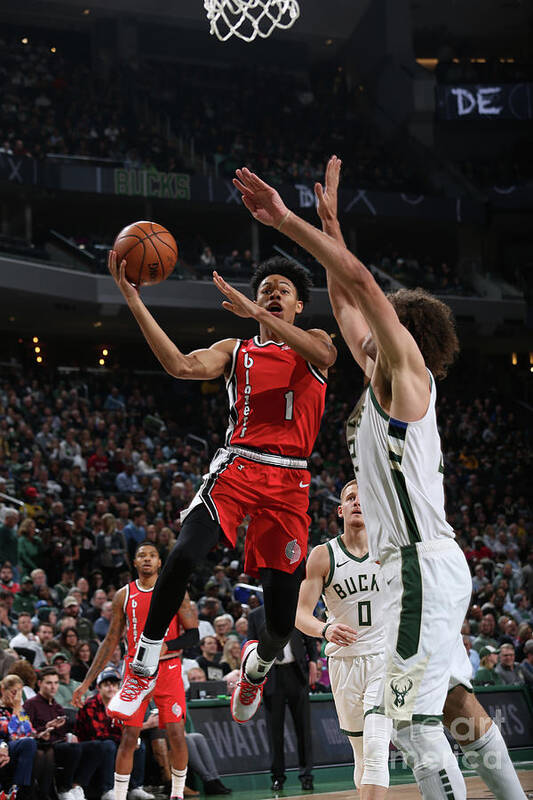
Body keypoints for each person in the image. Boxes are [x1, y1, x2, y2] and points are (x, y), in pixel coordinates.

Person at [232, 157, 527, 799]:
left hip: (416, 567)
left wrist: (286, 221)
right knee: (455, 707)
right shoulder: (379, 384)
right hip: (424, 568)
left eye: (383, 319)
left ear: (404, 331)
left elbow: (360, 285)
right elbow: (346, 297)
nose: (366, 325)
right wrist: (332, 229)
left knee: (413, 724)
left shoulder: (408, 373)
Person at [106, 246, 336, 727]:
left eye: (282, 291)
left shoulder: (314, 341)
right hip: (239, 465)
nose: (272, 294)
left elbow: (327, 354)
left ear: (298, 306)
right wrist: (133, 300)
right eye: (264, 290)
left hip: (290, 481)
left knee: (278, 624)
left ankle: (256, 668)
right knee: (187, 551)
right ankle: (142, 662)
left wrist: (256, 311)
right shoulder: (237, 350)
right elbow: (181, 367)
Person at [73, 541, 199, 800]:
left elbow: (194, 635)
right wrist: (86, 683)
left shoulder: (175, 590)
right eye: (142, 555)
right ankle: (119, 795)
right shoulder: (123, 594)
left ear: (160, 562)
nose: (147, 559)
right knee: (129, 735)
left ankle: (177, 793)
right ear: (134, 562)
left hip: (169, 667)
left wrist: (169, 645)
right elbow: (110, 641)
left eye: (152, 555)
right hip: (136, 670)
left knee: (176, 733)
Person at [296, 479, 391, 799]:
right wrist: (324, 629)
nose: (357, 503)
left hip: (383, 658)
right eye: (350, 498)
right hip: (343, 663)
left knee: (378, 748)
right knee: (362, 752)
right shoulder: (323, 556)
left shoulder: (390, 549)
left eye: (364, 498)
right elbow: (301, 615)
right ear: (341, 509)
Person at [247, 603, 316, 792]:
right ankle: (278, 777)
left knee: (303, 728)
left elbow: (309, 637)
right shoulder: (255, 615)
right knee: (274, 731)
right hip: (271, 676)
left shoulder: (296, 609)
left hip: (296, 673)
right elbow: (251, 647)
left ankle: (306, 775)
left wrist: (314, 661)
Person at [75, 668, 152, 800]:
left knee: (137, 744)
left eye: (114, 684)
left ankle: (135, 787)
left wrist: (130, 740)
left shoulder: (122, 704)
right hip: (89, 744)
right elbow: (97, 734)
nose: (111, 688)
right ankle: (108, 789)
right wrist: (123, 739)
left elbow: (126, 728)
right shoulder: (91, 704)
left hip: (111, 741)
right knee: (109, 745)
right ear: (99, 687)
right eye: (107, 684)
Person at [0, 674, 39, 800]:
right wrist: (16, 708)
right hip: (3, 745)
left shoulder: (20, 710)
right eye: (13, 692)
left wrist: (44, 731)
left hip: (18, 746)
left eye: (19, 692)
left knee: (36, 746)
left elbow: (29, 731)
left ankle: (19, 789)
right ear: (3, 690)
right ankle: (17, 789)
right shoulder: (3, 709)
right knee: (28, 744)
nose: (16, 697)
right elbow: (9, 734)